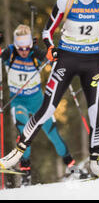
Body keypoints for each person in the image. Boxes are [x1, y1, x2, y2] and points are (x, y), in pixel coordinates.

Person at [0, 0, 99, 178]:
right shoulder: (66, 0)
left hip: (91, 62)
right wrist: (51, 49)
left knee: (96, 111)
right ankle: (17, 153)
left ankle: (95, 161)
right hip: (66, 59)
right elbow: (47, 30)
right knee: (47, 109)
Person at [0, 25, 83, 185]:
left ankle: (72, 167)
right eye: (21, 48)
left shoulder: (35, 53)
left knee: (53, 134)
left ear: (31, 44)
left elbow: (52, 59)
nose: (24, 51)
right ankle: (26, 173)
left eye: (27, 47)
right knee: (24, 132)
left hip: (38, 100)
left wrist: (58, 58)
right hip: (18, 101)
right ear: (16, 46)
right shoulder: (9, 53)